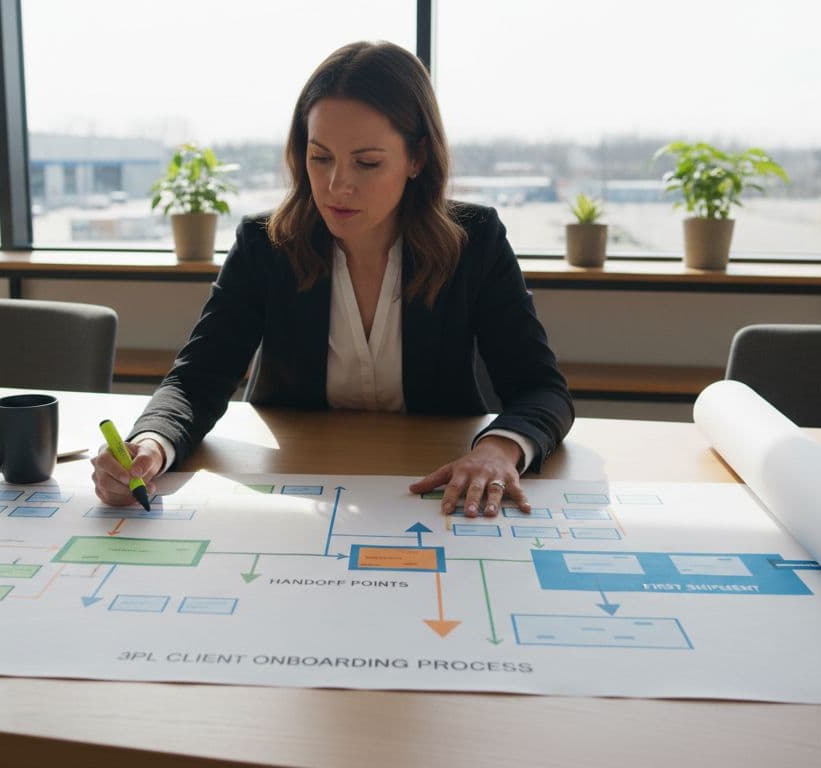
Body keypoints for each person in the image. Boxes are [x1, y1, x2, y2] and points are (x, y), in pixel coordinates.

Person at [93, 40, 574, 518]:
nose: (336, 185)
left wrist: (497, 449)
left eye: (367, 163)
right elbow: (196, 380)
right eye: (320, 157)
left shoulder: (474, 242)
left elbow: (542, 389)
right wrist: (150, 444)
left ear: (417, 158)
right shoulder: (266, 245)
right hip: (296, 493)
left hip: (431, 490)